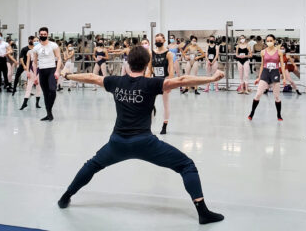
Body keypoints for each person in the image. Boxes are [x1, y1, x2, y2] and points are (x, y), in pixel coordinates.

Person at [57, 46, 225, 225]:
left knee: (92, 165)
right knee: (186, 165)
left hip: (117, 142)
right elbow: (182, 79)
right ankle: (203, 212)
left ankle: (65, 197)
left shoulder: (116, 82)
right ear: (147, 64)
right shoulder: (151, 83)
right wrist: (212, 78)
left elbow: (91, 77)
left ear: (128, 63)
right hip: (145, 143)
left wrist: (66, 75)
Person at [248, 35, 284, 121]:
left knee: (276, 97)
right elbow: (262, 65)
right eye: (267, 40)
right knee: (258, 94)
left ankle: (279, 115)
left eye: (271, 40)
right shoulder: (263, 52)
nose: (269, 42)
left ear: (274, 41)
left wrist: (285, 78)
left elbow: (282, 65)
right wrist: (258, 78)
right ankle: (252, 112)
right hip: (265, 72)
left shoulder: (279, 52)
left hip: (275, 72)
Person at [146, 33, 175, 134]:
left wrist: (170, 83)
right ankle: (147, 126)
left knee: (165, 104)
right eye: (156, 41)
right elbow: (149, 69)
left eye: (160, 41)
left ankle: (164, 125)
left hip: (164, 80)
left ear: (164, 41)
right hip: (154, 80)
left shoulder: (168, 54)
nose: (158, 42)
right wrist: (146, 80)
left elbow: (171, 70)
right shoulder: (151, 53)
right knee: (148, 104)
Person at [32, 27, 62, 122]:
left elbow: (59, 58)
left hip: (51, 70)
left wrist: (57, 71)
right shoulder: (36, 48)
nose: (43, 36)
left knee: (52, 90)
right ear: (39, 35)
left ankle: (49, 111)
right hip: (42, 71)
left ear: (48, 34)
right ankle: (49, 114)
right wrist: (35, 76)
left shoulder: (53, 45)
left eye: (45, 34)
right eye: (42, 34)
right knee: (45, 93)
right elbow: (35, 62)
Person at [21, 37, 42, 110]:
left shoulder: (42, 50)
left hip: (40, 68)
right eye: (34, 41)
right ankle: (24, 103)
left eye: (37, 41)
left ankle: (37, 103)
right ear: (32, 42)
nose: (36, 42)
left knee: (38, 86)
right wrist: (27, 71)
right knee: (29, 86)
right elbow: (27, 62)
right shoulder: (29, 52)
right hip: (32, 69)